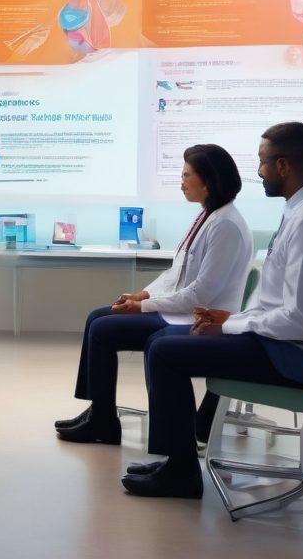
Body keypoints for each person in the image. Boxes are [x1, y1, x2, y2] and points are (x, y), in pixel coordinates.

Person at [125, 122, 303, 498]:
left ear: (283, 166)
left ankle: (182, 472)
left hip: (302, 356)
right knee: (164, 340)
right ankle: (177, 460)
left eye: (263, 162)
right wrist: (232, 321)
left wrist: (233, 326)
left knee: (165, 351)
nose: (258, 172)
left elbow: (300, 319)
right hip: (291, 344)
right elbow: (283, 306)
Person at [55, 144, 252, 445]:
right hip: (181, 311)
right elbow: (176, 274)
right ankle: (100, 412)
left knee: (102, 329)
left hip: (195, 319)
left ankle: (104, 422)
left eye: (187, 175)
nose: (181, 181)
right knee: (98, 316)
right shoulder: (208, 216)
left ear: (209, 182)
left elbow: (199, 294)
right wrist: (141, 295)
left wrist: (143, 307)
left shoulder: (225, 226)